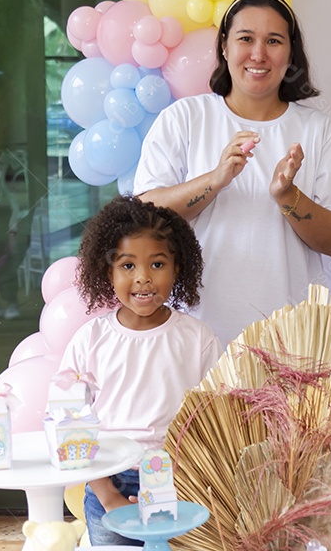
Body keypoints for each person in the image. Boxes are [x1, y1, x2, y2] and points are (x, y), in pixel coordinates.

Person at [134, 0, 331, 343]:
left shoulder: (318, 129)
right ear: (224, 47)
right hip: (195, 336)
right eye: (246, 38)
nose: (259, 54)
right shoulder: (185, 117)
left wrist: (288, 196)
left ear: (291, 54)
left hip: (290, 340)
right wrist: (215, 180)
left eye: (274, 41)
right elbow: (146, 217)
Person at [61, 195, 221, 547]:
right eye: (128, 266)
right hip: (107, 479)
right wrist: (107, 495)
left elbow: (214, 420)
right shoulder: (91, 339)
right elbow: (66, 420)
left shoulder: (198, 340)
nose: (144, 279)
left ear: (178, 268)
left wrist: (183, 485)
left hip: (180, 482)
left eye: (158, 264)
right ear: (108, 272)